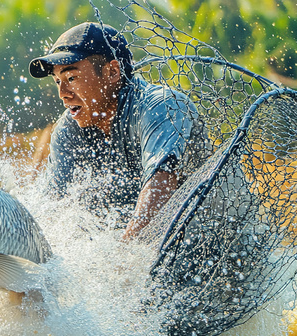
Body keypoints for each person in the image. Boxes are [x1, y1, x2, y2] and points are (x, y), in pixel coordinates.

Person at [29, 22, 203, 240]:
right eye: (57, 82)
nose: (62, 93)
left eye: (71, 78)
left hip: (223, 248)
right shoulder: (68, 130)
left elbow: (161, 185)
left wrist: (122, 262)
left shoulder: (160, 106)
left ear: (112, 72)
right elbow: (53, 207)